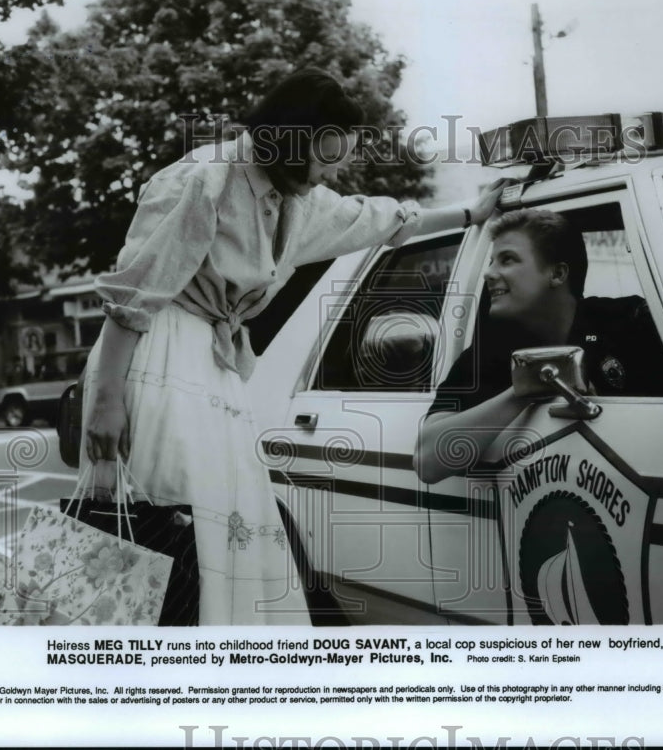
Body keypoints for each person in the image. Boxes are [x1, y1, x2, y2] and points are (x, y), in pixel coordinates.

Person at [81, 67, 504, 625]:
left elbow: (375, 218)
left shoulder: (297, 202)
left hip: (215, 365)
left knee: (222, 530)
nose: (334, 171)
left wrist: (472, 213)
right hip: (160, 357)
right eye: (327, 158)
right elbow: (133, 296)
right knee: (172, 522)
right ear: (289, 142)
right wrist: (106, 400)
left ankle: (220, 672)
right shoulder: (202, 179)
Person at [414, 207, 663, 485]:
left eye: (507, 260)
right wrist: (522, 392)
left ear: (557, 274)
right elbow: (427, 463)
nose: (489, 274)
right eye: (492, 261)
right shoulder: (491, 352)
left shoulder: (629, 323)